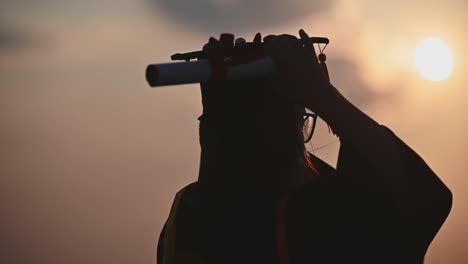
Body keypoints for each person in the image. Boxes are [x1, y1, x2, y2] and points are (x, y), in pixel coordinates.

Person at [156, 29, 452, 264]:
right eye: (301, 119)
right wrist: (323, 97)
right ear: (286, 130)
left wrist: (222, 111)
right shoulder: (307, 227)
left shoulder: (186, 220)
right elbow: (424, 195)